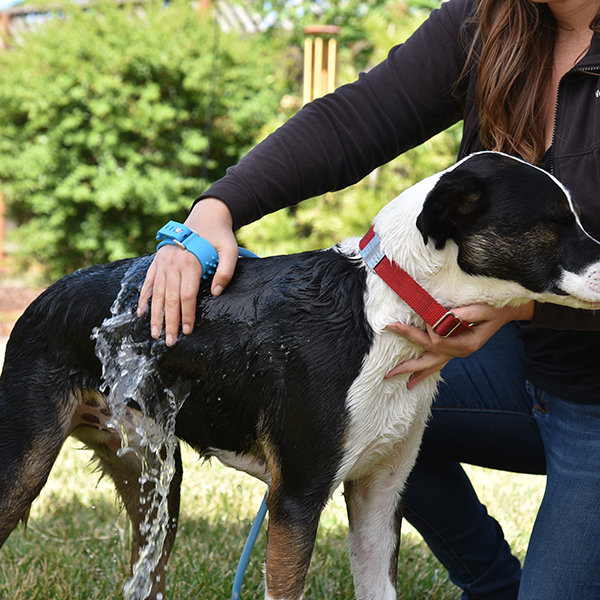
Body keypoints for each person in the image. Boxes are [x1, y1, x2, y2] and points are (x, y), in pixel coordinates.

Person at [138, 0, 600, 598]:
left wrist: (527, 306)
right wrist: (217, 208)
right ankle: (491, 584)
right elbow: (353, 120)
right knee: (375, 389)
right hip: (524, 366)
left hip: (593, 399)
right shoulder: (485, 20)